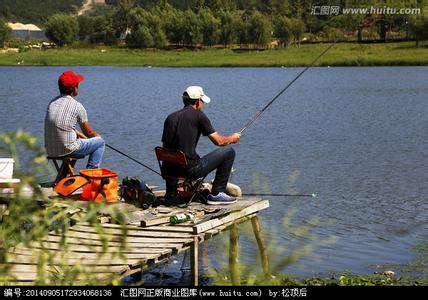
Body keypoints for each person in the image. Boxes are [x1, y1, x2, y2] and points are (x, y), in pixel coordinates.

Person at [162, 86, 240, 205]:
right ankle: (217, 193)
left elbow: (166, 147)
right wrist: (232, 138)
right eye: (202, 101)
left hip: (168, 170)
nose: (203, 104)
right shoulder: (199, 115)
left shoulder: (170, 117)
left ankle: (171, 193)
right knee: (229, 152)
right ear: (198, 101)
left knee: (174, 156)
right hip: (190, 171)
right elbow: (219, 141)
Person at [44, 70, 105, 169]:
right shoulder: (77, 106)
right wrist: (97, 137)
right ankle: (91, 175)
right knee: (100, 143)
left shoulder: (52, 103)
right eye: (78, 85)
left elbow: (63, 127)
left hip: (51, 150)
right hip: (68, 149)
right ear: (74, 89)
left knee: (72, 143)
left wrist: (81, 136)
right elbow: (89, 132)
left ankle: (63, 177)